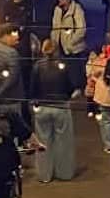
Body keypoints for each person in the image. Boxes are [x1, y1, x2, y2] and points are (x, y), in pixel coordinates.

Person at [29, 40, 76, 183]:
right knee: (63, 142)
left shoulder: (37, 66)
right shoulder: (63, 65)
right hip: (61, 107)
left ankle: (44, 175)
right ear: (57, 50)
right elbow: (70, 87)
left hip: (42, 107)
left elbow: (32, 89)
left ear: (42, 50)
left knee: (43, 143)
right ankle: (64, 173)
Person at [85, 42, 110, 155]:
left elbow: (92, 73)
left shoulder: (100, 61)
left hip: (104, 95)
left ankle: (109, 145)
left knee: (107, 120)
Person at [50, 0, 88, 91]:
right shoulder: (57, 10)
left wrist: (71, 42)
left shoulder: (77, 10)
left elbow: (81, 29)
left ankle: (77, 90)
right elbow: (55, 27)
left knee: (74, 71)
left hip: (73, 48)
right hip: (60, 46)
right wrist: (54, 42)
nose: (60, 1)